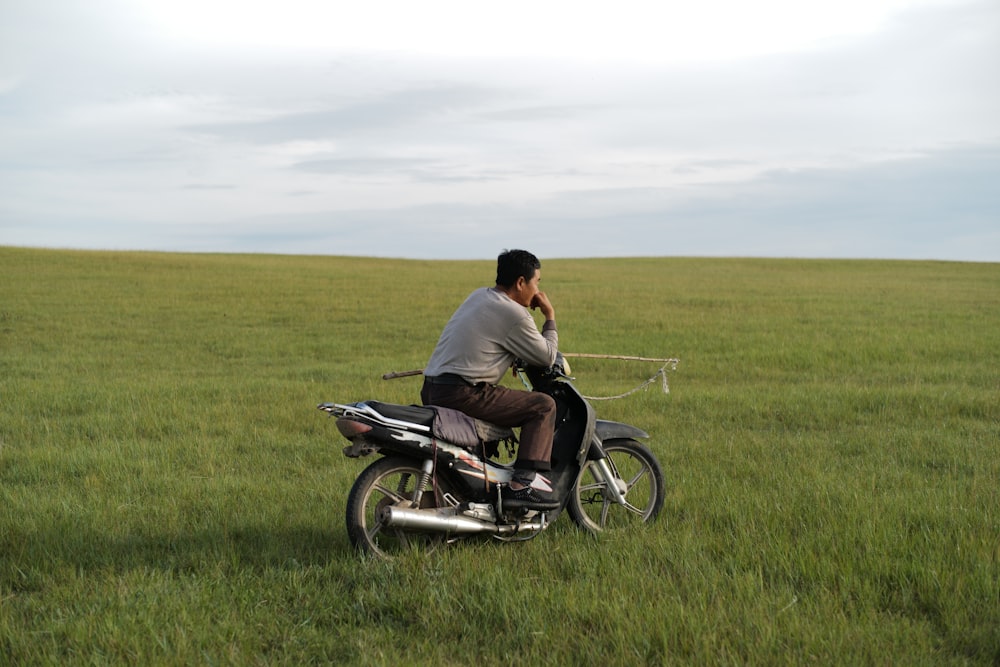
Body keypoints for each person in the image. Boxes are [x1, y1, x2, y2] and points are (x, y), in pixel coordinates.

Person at [420, 249, 560, 510]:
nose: (538, 290)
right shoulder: (514, 314)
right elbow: (547, 357)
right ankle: (522, 487)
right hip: (463, 394)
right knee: (543, 406)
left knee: (504, 397)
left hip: (432, 388)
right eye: (537, 282)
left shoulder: (480, 296)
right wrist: (549, 316)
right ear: (521, 282)